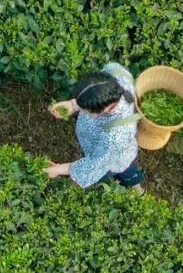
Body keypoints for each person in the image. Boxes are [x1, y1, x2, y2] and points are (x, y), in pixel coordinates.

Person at [45, 61, 145, 193]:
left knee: (123, 168)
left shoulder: (115, 135)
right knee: (127, 168)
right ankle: (136, 187)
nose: (84, 111)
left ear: (105, 108)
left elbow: (95, 165)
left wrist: (58, 169)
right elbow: (96, 91)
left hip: (111, 160)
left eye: (87, 110)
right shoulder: (115, 73)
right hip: (112, 150)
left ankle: (138, 191)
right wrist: (72, 105)